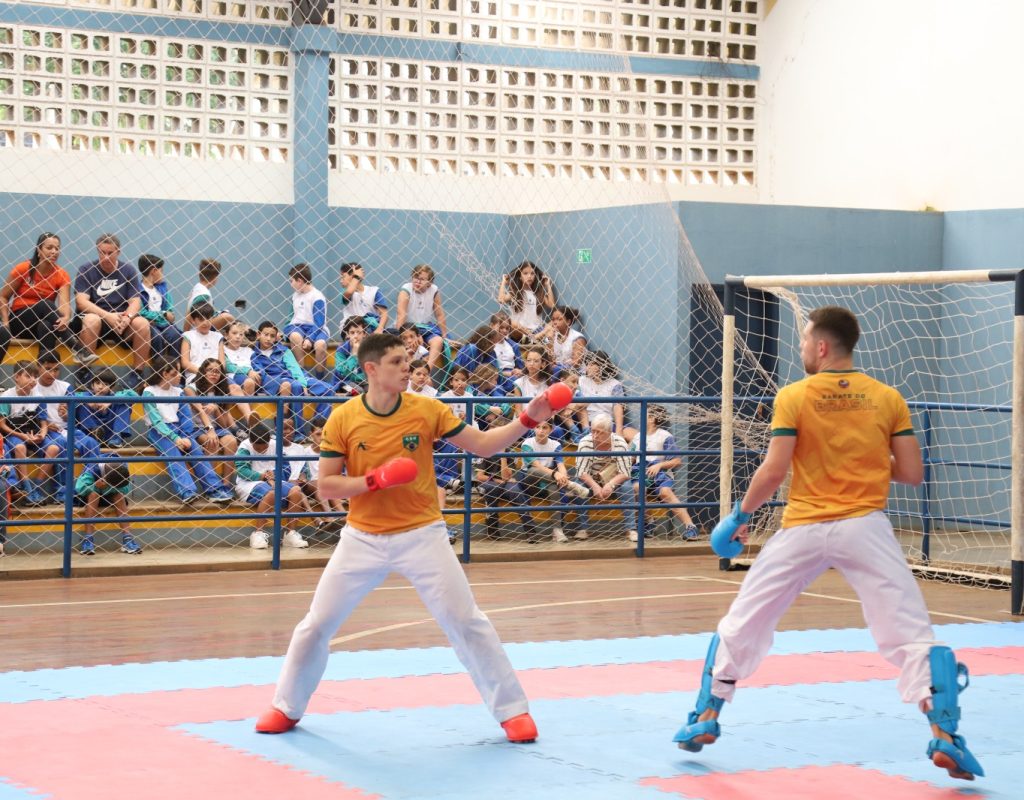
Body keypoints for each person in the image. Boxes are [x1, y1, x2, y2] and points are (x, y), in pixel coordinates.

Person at [673, 306, 984, 782]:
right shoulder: (888, 398)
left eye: (802, 343)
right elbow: (912, 473)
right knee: (908, 630)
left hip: (804, 527)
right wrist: (863, 457)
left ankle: (706, 715)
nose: (801, 351)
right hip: (866, 526)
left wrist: (740, 517)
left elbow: (775, 471)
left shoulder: (794, 395)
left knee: (746, 618)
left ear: (821, 346)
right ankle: (945, 735)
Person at [253, 331, 571, 742]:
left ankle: (512, 711)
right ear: (371, 368)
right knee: (315, 625)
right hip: (362, 538)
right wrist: (373, 480)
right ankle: (286, 705)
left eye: (409, 360)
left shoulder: (427, 409)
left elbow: (483, 447)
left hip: (422, 534)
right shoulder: (343, 418)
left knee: (466, 619)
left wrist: (529, 418)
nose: (408, 367)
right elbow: (327, 486)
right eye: (398, 362)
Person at [141, 359, 235, 505]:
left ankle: (215, 489)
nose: (179, 375)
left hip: (180, 429)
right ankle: (187, 491)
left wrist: (185, 436)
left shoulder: (179, 391)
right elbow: (156, 420)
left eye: (179, 371)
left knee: (197, 453)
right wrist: (175, 438)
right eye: (175, 373)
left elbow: (185, 417)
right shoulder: (149, 392)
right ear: (164, 374)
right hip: (160, 431)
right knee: (174, 455)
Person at [74, 233, 151, 390]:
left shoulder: (128, 270)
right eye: (102, 252)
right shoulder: (87, 269)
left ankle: (137, 374)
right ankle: (84, 372)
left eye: (110, 253)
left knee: (142, 323)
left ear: (118, 252)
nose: (106, 257)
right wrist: (107, 315)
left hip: (120, 322)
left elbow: (136, 301)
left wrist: (128, 317)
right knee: (90, 320)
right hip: (98, 320)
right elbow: (81, 301)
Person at [32, 354, 102, 502]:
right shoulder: (33, 387)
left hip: (66, 429)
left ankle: (86, 483)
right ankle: (62, 490)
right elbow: (28, 414)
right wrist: (44, 425)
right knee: (63, 445)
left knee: (91, 443)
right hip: (47, 431)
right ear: (38, 367)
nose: (52, 373)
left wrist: (66, 416)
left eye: (56, 369)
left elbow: (72, 417)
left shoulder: (65, 387)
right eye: (48, 369)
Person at [0, 232, 75, 364]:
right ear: (39, 250)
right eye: (49, 247)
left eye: (57, 248)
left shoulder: (62, 275)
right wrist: (6, 325)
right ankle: (75, 346)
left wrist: (66, 318)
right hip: (19, 322)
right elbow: (3, 297)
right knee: (44, 304)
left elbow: (64, 306)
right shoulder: (23, 268)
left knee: (46, 325)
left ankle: (44, 371)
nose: (54, 251)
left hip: (41, 324)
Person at [235, 419, 309, 550]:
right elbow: (242, 470)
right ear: (252, 442)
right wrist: (262, 476)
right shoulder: (244, 447)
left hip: (275, 479)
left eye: (265, 447)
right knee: (272, 493)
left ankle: (290, 533)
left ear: (269, 441)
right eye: (258, 448)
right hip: (250, 483)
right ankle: (258, 533)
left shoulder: (276, 445)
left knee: (296, 490)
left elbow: (286, 468)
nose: (262, 451)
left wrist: (273, 475)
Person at [629, 404, 698, 540]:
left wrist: (659, 465)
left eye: (646, 414)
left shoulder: (665, 436)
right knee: (637, 488)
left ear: (653, 418)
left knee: (665, 492)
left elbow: (677, 461)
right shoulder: (637, 437)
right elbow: (632, 458)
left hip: (660, 473)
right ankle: (648, 522)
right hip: (640, 471)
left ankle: (691, 527)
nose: (642, 416)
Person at [251, 320, 333, 433]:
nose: (269, 338)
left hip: (298, 377)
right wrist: (296, 383)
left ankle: (317, 428)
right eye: (266, 335)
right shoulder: (254, 354)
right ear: (258, 334)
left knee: (328, 389)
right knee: (295, 386)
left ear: (276, 338)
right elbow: (262, 375)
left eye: (272, 336)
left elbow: (294, 368)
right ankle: (299, 433)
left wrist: (303, 383)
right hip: (279, 381)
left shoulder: (283, 351)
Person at [518, 419, 589, 543]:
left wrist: (563, 478)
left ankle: (557, 530)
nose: (540, 430)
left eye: (545, 427)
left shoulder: (555, 445)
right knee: (533, 470)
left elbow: (561, 465)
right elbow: (535, 465)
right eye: (538, 427)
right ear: (534, 429)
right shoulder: (527, 443)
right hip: (529, 483)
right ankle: (571, 486)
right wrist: (555, 474)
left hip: (548, 481)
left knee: (554, 488)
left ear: (551, 430)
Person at [573, 413, 636, 541]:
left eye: (600, 432)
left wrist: (611, 484)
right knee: (578, 486)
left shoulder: (620, 443)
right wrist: (595, 486)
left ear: (609, 432)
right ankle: (583, 528)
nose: (595, 436)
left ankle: (631, 529)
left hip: (614, 481)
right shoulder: (585, 442)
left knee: (628, 488)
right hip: (590, 481)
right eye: (593, 431)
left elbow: (625, 472)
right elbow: (581, 472)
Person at [185, 358, 246, 483]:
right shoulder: (191, 389)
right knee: (212, 442)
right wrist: (210, 430)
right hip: (197, 428)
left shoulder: (222, 391)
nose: (214, 374)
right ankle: (212, 485)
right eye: (210, 370)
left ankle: (226, 483)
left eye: (217, 372)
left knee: (231, 441)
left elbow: (223, 425)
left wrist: (216, 408)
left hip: (217, 428)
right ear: (203, 371)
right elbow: (201, 412)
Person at [0, 361, 50, 505]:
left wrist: (42, 434)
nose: (33, 380)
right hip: (14, 435)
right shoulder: (6, 397)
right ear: (17, 377)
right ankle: (28, 491)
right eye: (28, 376)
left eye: (35, 376)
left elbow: (44, 422)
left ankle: (37, 487)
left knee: (54, 447)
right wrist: (21, 436)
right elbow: (2, 425)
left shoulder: (39, 396)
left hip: (34, 434)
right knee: (20, 447)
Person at [75, 457, 141, 555]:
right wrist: (95, 486)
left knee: (119, 496)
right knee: (94, 494)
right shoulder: (93, 469)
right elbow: (79, 489)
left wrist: (112, 488)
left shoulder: (122, 466)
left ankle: (127, 538)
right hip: (91, 495)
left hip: (110, 495)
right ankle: (88, 539)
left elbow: (126, 488)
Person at [395, 263, 449, 373]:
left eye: (422, 279)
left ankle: (427, 369)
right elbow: (401, 314)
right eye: (415, 278)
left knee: (438, 341)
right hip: (408, 328)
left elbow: (439, 314)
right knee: (410, 344)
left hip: (426, 327)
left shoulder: (434, 290)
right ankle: (407, 370)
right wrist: (400, 337)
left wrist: (444, 335)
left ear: (429, 283)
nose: (417, 281)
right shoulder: (405, 290)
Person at [284, 263, 329, 379]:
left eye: (291, 281)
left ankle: (319, 378)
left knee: (320, 345)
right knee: (295, 336)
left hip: (316, 328)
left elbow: (319, 323)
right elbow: (291, 317)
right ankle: (301, 374)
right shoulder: (295, 296)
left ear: (299, 281)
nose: (290, 284)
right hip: (298, 327)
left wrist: (310, 338)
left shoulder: (317, 296)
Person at [137, 254, 183, 359]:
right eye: (161, 271)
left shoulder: (163, 289)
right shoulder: (138, 290)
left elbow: (170, 312)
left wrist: (165, 315)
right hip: (150, 325)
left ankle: (176, 368)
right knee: (157, 337)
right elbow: (142, 312)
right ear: (154, 271)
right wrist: (163, 314)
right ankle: (159, 369)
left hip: (164, 324)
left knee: (176, 335)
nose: (162, 274)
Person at [497, 260, 555, 342]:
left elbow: (551, 304)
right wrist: (503, 282)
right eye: (525, 273)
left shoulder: (538, 293)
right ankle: (531, 338)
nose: (529, 276)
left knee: (553, 324)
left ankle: (532, 338)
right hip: (520, 331)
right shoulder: (515, 291)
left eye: (532, 273)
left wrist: (548, 285)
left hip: (537, 330)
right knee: (512, 323)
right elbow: (501, 300)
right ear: (520, 276)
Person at [579, 350, 631, 440]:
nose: (588, 368)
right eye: (587, 364)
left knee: (636, 436)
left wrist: (619, 431)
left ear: (601, 366)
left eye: (591, 365)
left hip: (608, 423)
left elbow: (617, 406)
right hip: (590, 422)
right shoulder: (582, 381)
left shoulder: (614, 384)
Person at [75, 368, 133, 448]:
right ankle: (92, 433)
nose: (101, 387)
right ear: (92, 385)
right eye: (98, 383)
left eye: (105, 384)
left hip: (109, 435)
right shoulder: (86, 395)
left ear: (111, 387)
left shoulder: (114, 396)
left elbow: (133, 395)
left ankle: (117, 437)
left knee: (123, 404)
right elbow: (70, 396)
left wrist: (111, 401)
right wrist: (87, 401)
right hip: (88, 434)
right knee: (80, 405)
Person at [181, 301, 225, 386]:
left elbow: (222, 362)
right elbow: (185, 363)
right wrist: (205, 373)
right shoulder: (188, 336)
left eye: (208, 318)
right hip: (196, 374)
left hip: (217, 375)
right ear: (193, 320)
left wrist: (215, 372)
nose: (205, 322)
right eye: (201, 319)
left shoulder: (218, 336)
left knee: (235, 387)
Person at [338, 261, 388, 334]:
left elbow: (384, 314)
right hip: (350, 329)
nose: (340, 281)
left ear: (352, 275)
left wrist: (379, 330)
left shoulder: (374, 291)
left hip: (371, 328)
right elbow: (349, 292)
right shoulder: (344, 292)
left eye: (343, 276)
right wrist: (357, 277)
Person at [185, 257, 234, 331]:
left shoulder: (197, 287)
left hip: (203, 322)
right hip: (201, 326)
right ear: (215, 278)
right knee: (228, 317)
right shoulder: (204, 293)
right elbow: (189, 314)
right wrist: (186, 333)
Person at [223, 321, 261, 397]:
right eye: (234, 333)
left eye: (241, 334)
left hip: (252, 377)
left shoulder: (248, 351)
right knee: (249, 382)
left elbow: (257, 365)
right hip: (232, 377)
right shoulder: (223, 350)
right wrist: (248, 371)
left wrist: (257, 373)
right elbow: (228, 367)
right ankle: (248, 408)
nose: (238, 337)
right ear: (226, 335)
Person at [333, 316, 368, 394]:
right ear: (347, 334)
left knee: (371, 390)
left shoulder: (368, 348)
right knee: (357, 391)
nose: (355, 336)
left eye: (359, 332)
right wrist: (354, 355)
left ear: (364, 334)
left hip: (363, 381)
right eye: (352, 332)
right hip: (344, 383)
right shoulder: (341, 349)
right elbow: (342, 372)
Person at [548, 305, 587, 373]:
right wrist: (550, 340)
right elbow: (549, 359)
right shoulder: (552, 335)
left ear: (568, 322)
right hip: (557, 372)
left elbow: (576, 363)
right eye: (553, 319)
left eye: (559, 319)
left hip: (575, 374)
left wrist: (558, 366)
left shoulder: (577, 337)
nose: (555, 322)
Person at [489, 311, 524, 380]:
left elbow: (521, 367)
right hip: (495, 377)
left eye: (507, 328)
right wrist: (506, 373)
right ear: (491, 326)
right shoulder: (487, 344)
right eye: (501, 327)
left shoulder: (513, 345)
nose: (504, 331)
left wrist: (520, 371)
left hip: (512, 375)